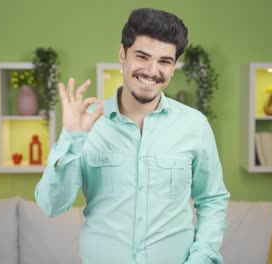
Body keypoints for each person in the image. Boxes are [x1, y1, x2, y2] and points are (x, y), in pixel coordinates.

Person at [35, 7, 230, 264]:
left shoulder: (194, 125)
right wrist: (72, 139)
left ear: (173, 67)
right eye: (142, 56)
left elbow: (212, 200)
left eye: (164, 61)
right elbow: (52, 206)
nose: (151, 70)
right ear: (122, 54)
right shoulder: (87, 124)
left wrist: (202, 258)